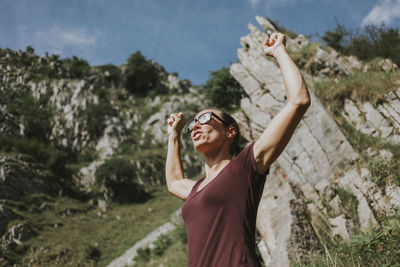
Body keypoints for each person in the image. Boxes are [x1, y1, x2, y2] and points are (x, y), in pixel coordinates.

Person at [165, 32, 310, 267]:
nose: (196, 126)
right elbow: (173, 182)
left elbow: (299, 101)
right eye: (193, 124)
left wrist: (278, 51)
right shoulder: (196, 188)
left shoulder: (244, 166)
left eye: (206, 119)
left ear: (230, 133)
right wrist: (174, 136)